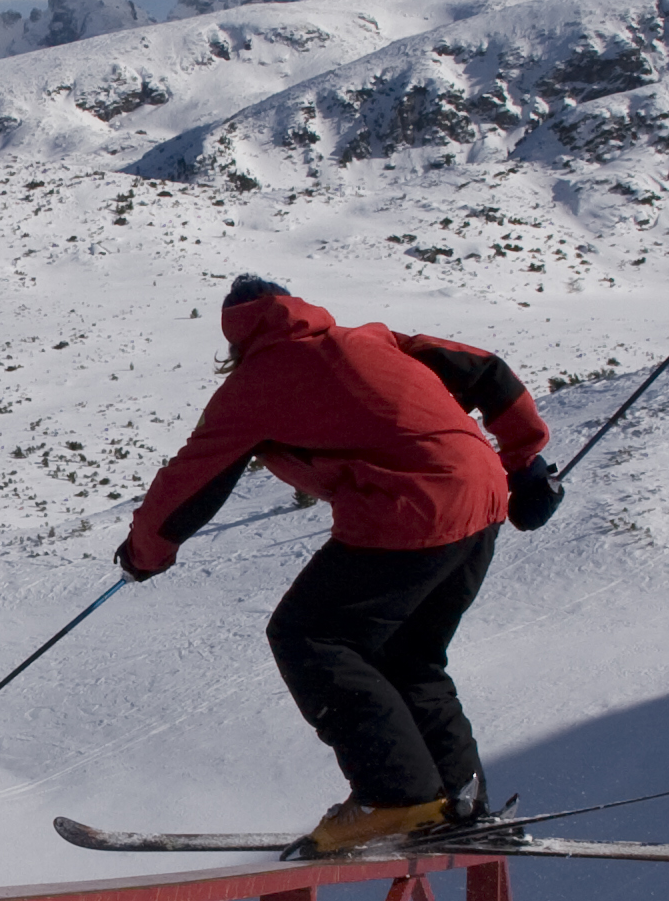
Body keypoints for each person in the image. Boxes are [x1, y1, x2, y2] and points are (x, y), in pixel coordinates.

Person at [116, 274, 565, 855]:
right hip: (483, 500)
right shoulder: (372, 339)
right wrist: (526, 461)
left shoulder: (258, 381)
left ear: (237, 337)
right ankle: (458, 799)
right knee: (408, 655)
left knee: (310, 635)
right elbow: (486, 370)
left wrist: (143, 555)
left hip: (409, 509)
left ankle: (395, 796)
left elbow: (190, 478)